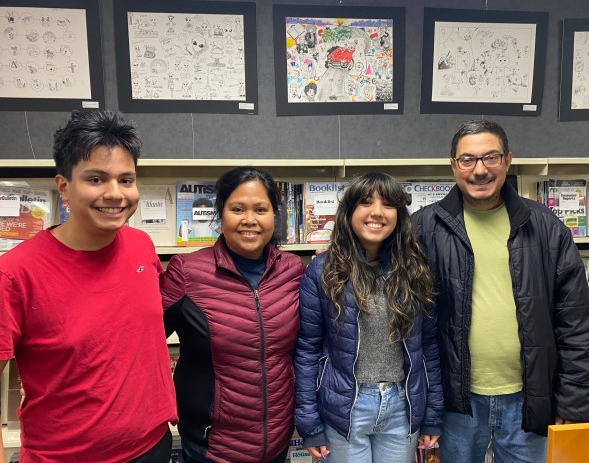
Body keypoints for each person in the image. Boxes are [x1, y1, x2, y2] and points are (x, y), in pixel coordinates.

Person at [411, 119, 589, 463]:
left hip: (529, 401)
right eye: (468, 159)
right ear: (453, 166)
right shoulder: (423, 227)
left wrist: (572, 402)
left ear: (508, 161)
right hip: (455, 403)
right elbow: (381, 275)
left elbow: (576, 323)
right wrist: (334, 257)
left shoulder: (546, 228)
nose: (479, 169)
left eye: (491, 158)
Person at [0, 110, 177, 463]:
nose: (115, 194)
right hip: (66, 456)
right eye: (96, 179)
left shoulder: (142, 244)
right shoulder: (14, 273)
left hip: (153, 445)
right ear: (63, 186)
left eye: (126, 180)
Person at [294, 172, 443, 463]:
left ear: (399, 215)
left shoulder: (416, 271)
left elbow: (429, 349)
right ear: (349, 212)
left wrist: (432, 414)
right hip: (345, 407)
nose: (377, 212)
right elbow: (308, 351)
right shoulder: (322, 271)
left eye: (388, 204)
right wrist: (309, 423)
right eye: (365, 203)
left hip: (403, 407)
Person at [160, 166, 305, 463]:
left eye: (260, 209)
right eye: (237, 208)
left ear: (274, 216)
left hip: (277, 440)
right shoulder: (186, 273)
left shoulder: (293, 270)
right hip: (211, 446)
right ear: (221, 213)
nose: (249, 220)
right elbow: (141, 342)